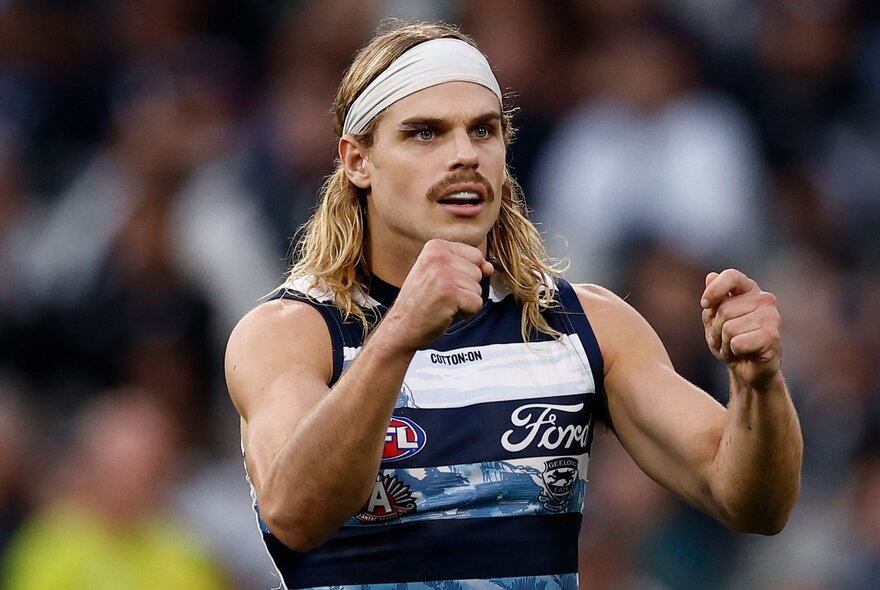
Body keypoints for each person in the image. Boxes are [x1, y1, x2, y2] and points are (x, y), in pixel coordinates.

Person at [224, 21, 803, 589]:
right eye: (425, 133)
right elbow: (295, 513)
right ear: (357, 161)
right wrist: (398, 335)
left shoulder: (584, 324)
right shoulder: (290, 332)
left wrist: (758, 385)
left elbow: (752, 503)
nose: (464, 155)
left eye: (483, 131)